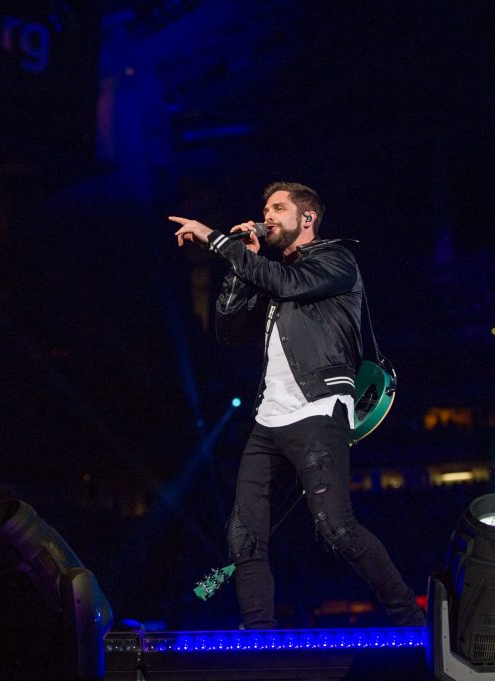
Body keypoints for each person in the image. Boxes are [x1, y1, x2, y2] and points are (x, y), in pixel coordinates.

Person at [169, 182, 425, 629]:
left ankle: (409, 617)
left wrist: (216, 239)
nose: (267, 215)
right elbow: (228, 329)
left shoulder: (335, 260)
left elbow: (286, 283)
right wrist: (241, 263)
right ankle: (259, 640)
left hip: (318, 409)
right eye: (265, 208)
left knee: (335, 528)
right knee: (243, 534)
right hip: (268, 418)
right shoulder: (270, 272)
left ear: (306, 218)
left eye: (277, 208)